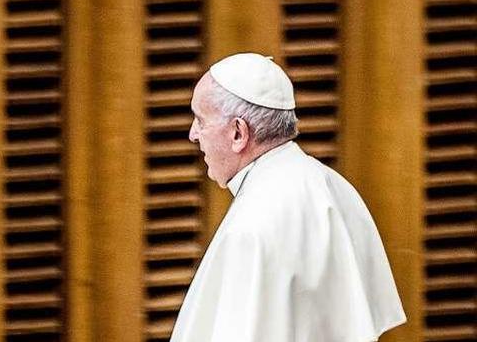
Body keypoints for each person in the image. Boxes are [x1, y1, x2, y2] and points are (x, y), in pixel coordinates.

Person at [169, 53, 406, 342]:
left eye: (201, 120)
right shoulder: (332, 185)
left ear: (238, 133)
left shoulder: (251, 225)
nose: (193, 134)